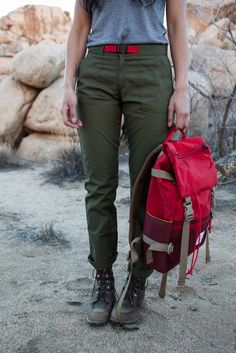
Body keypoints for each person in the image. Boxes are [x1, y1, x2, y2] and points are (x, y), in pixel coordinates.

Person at [60, 0, 190, 327]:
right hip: (97, 70)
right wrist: (67, 85)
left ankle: (138, 278)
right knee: (99, 185)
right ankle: (103, 278)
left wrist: (182, 87)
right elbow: (79, 27)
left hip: (150, 68)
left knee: (148, 187)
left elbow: (176, 23)